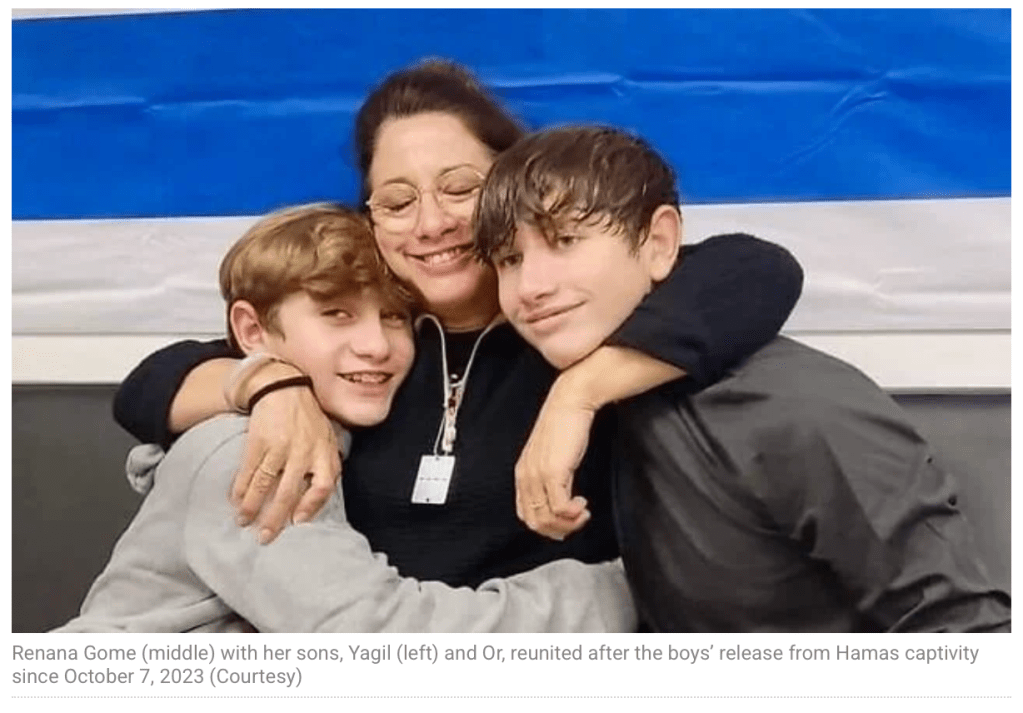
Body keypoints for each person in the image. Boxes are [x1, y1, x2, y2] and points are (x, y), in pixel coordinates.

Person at [112, 59, 803, 590]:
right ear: (370, 219)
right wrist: (273, 385)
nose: (431, 223)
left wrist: (578, 393)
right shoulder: (369, 345)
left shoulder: (568, 319)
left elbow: (755, 269)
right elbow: (147, 387)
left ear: (509, 190)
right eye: (397, 201)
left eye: (460, 188)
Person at [474, 124, 1012, 632]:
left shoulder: (795, 409)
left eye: (566, 240)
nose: (532, 286)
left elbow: (966, 634)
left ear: (659, 243)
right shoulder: (573, 380)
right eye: (510, 259)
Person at [55, 203, 635, 633]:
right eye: (336, 314)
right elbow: (377, 639)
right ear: (252, 331)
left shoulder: (332, 429)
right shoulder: (246, 450)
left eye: (393, 318)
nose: (375, 346)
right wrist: (623, 589)